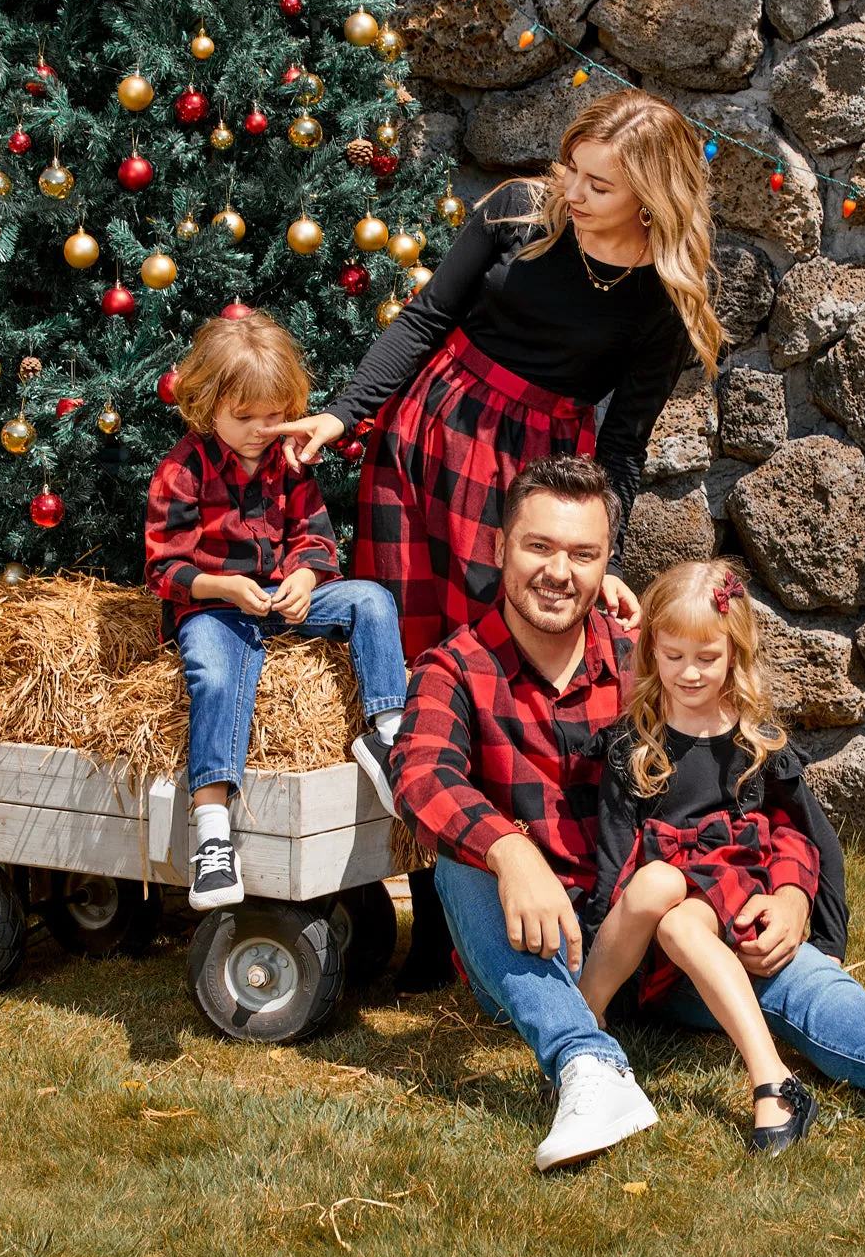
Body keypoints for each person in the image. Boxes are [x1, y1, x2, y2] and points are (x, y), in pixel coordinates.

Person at [393, 455, 865, 1171]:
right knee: (461, 860)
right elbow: (420, 775)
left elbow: (761, 788)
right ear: (501, 547)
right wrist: (510, 849)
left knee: (789, 972)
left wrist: (789, 891)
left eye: (583, 553)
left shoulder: (657, 659)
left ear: (606, 565)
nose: (558, 572)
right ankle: (585, 1067)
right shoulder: (456, 668)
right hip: (545, 951)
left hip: (667, 940)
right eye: (539, 547)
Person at [267, 88, 724, 993]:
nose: (573, 192)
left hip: (527, 486)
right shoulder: (517, 212)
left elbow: (622, 447)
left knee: (492, 680)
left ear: (651, 198)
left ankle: (457, 934)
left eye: (599, 183)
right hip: (425, 439)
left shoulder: (663, 304)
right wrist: (347, 414)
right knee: (414, 665)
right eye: (573, 169)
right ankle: (422, 917)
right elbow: (426, 318)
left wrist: (605, 561)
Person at [578, 559, 846, 1154]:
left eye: (706, 658)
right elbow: (613, 852)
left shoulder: (755, 741)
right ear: (651, 653)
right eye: (673, 657)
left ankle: (772, 1082)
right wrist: (600, 932)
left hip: (722, 899)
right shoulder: (635, 742)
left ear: (734, 653)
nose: (689, 674)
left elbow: (811, 831)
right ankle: (586, 1027)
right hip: (638, 924)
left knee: (680, 909)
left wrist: (823, 932)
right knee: (656, 886)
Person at [144, 310, 408, 910]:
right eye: (245, 417)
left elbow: (316, 539)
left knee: (371, 599)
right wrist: (225, 589)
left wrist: (307, 576)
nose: (263, 430)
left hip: (278, 598)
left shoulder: (287, 463)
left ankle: (387, 735)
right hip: (214, 606)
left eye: (274, 414)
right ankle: (212, 836)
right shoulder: (182, 471)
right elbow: (165, 568)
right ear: (207, 405)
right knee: (215, 673)